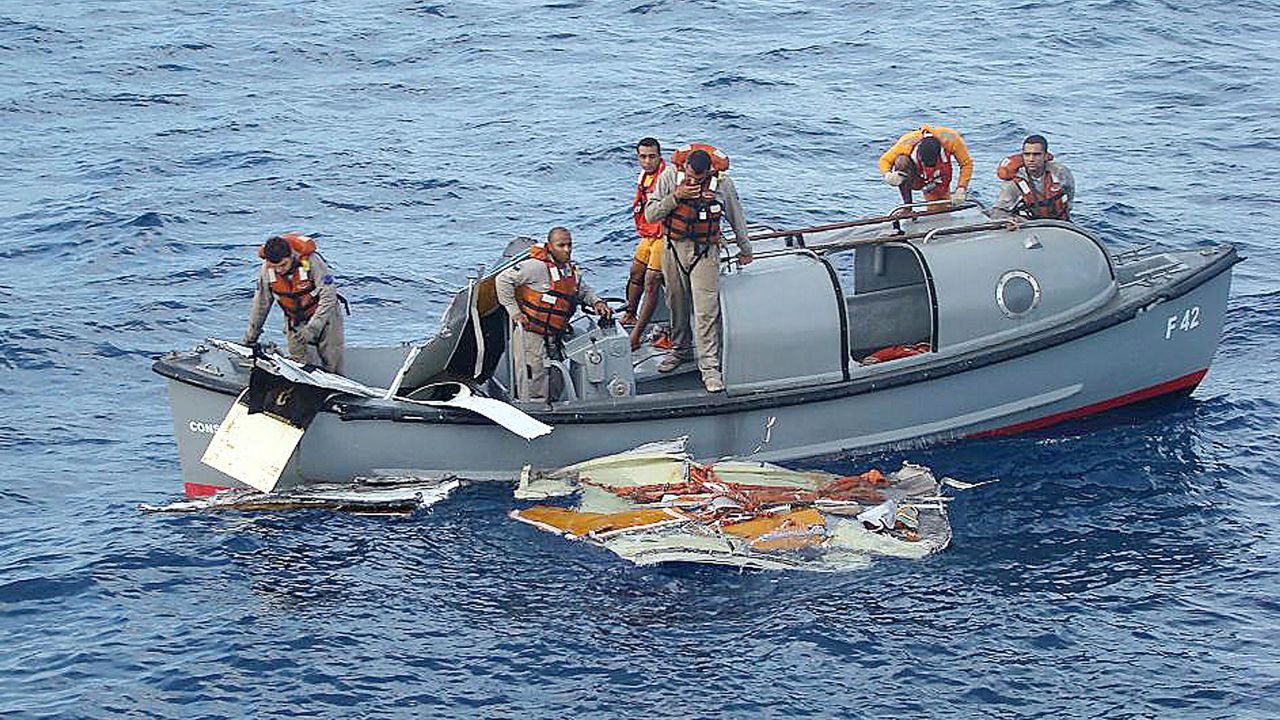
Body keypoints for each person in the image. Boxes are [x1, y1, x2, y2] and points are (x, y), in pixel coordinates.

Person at [644, 143, 753, 393]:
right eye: (690, 175)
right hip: (673, 249)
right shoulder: (670, 177)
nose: (693, 180)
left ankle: (709, 368)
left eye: (698, 178)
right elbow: (650, 214)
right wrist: (676, 197)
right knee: (676, 302)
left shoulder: (723, 185)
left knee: (706, 311)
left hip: (705, 252)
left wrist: (745, 249)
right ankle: (679, 350)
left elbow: (737, 217)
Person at [496, 227, 612, 402]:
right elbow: (503, 280)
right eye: (561, 245)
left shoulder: (568, 270)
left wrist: (597, 302)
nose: (567, 250)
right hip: (531, 334)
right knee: (534, 380)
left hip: (554, 336)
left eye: (569, 245)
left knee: (556, 380)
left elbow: (581, 290)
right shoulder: (535, 267)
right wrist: (514, 311)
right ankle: (534, 411)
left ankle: (555, 408)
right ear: (550, 246)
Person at [242, 232, 345, 374]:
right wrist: (250, 338)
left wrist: (313, 328)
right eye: (275, 266)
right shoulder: (267, 270)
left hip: (325, 315)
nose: (279, 270)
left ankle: (336, 388)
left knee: (331, 360)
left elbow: (328, 296)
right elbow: (261, 304)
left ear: (291, 256)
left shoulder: (312, 262)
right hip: (294, 320)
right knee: (297, 363)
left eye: (283, 265)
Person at [620, 137, 667, 351]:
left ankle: (637, 335)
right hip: (647, 234)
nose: (647, 161)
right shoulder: (644, 177)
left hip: (663, 235)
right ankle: (630, 313)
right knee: (635, 273)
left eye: (651, 157)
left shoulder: (666, 177)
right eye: (643, 157)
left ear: (659, 156)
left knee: (651, 281)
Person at [878, 124, 974, 209]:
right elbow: (884, 160)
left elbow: (966, 163)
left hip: (939, 176)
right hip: (916, 175)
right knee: (901, 161)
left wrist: (961, 188)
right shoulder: (907, 143)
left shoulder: (951, 139)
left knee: (938, 208)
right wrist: (888, 175)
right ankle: (907, 207)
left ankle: (941, 198)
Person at [991, 134, 1075, 221]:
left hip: (1059, 223)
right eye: (1027, 154)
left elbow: (1069, 194)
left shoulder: (1061, 172)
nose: (1031, 159)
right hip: (1028, 226)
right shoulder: (1013, 183)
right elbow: (998, 212)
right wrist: (1009, 221)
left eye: (1036, 154)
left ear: (1045, 155)